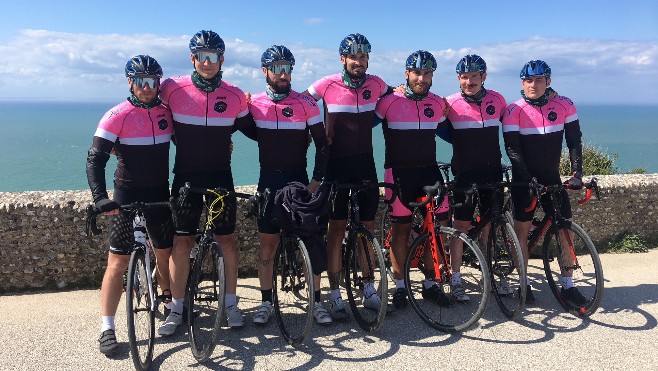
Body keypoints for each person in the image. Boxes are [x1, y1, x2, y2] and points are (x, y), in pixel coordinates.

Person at [158, 30, 256, 334]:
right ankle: (177, 307)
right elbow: (146, 109)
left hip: (219, 178)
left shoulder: (235, 94)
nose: (207, 62)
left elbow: (254, 128)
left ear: (221, 59)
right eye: (201, 55)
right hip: (185, 177)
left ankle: (230, 304)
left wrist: (299, 133)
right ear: (192, 58)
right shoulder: (171, 89)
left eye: (213, 56)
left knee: (227, 240)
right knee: (181, 242)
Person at [86, 55, 174, 354]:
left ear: (158, 83)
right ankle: (107, 327)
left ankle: (167, 298)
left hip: (160, 192)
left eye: (151, 81)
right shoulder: (117, 115)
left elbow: (191, 139)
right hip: (126, 193)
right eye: (140, 81)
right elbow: (95, 160)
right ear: (130, 82)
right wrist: (100, 198)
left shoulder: (167, 112)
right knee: (118, 262)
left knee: (165, 252)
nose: (146, 87)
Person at [304, 33, 392, 320]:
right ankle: (334, 294)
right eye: (353, 57)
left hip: (365, 164)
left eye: (363, 57)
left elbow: (397, 95)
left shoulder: (376, 83)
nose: (359, 62)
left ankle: (369, 289)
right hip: (335, 166)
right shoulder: (326, 84)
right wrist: (307, 132)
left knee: (366, 228)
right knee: (337, 230)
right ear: (343, 58)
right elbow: (299, 103)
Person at [245, 45, 332, 325]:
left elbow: (322, 144)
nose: (283, 74)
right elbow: (227, 127)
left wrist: (316, 180)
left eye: (287, 68)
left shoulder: (306, 103)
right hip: (268, 180)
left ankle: (317, 302)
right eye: (277, 68)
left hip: (298, 181)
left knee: (310, 240)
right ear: (265, 71)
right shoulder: (253, 104)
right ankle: (266, 302)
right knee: (267, 245)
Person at [502, 60, 586, 305]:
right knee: (522, 233)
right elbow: (513, 150)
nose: (533, 85)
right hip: (524, 181)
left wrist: (577, 173)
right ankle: (523, 283)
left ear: (548, 82)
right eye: (528, 80)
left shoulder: (565, 105)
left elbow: (574, 142)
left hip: (552, 179)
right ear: (522, 82)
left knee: (564, 230)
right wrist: (528, 180)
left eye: (539, 80)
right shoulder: (513, 110)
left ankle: (568, 284)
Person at [375, 50, 451, 309]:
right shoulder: (389, 101)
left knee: (436, 226)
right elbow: (360, 124)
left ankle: (431, 284)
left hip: (429, 170)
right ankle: (400, 286)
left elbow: (452, 133)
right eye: (417, 73)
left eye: (427, 73)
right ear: (407, 74)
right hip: (397, 172)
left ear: (432, 76)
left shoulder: (438, 103)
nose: (421, 78)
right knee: (401, 229)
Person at [441, 54, 509, 302]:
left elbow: (517, 116)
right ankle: (456, 279)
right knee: (460, 228)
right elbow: (435, 126)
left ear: (484, 77)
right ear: (458, 78)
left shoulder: (498, 100)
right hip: (465, 174)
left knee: (489, 226)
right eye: (464, 77)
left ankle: (489, 272)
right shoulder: (449, 103)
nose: (469, 82)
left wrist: (550, 92)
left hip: (492, 172)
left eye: (473, 77)